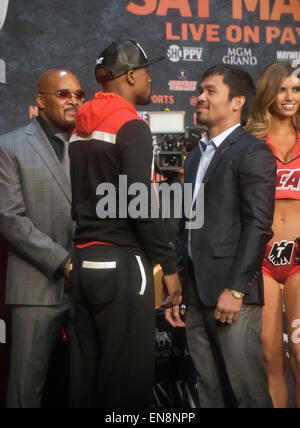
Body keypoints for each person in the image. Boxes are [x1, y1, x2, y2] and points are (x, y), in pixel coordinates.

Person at [68, 40, 182, 408]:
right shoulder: (131, 125)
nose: (151, 80)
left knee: (85, 379)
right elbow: (139, 206)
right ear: (130, 76)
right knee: (127, 385)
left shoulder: (81, 124)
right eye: (147, 72)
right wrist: (169, 264)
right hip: (122, 264)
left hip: (83, 262)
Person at [167, 64, 277, 408]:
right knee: (209, 391)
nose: (199, 97)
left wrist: (236, 288)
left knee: (247, 392)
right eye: (200, 90)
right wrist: (182, 290)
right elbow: (188, 224)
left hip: (233, 295)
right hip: (196, 296)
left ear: (237, 103)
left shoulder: (252, 151)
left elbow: (258, 225)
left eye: (210, 91)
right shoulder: (195, 156)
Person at [0, 69, 84, 408]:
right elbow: (10, 219)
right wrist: (63, 262)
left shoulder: (89, 144)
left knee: (86, 388)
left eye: (79, 95)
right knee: (25, 391)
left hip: (88, 286)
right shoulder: (9, 146)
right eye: (64, 94)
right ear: (40, 100)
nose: (74, 101)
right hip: (35, 285)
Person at [246, 62, 300, 408]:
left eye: (295, 89)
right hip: (260, 259)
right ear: (267, 92)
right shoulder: (249, 141)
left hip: (298, 258)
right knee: (269, 359)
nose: (289, 96)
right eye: (281, 89)